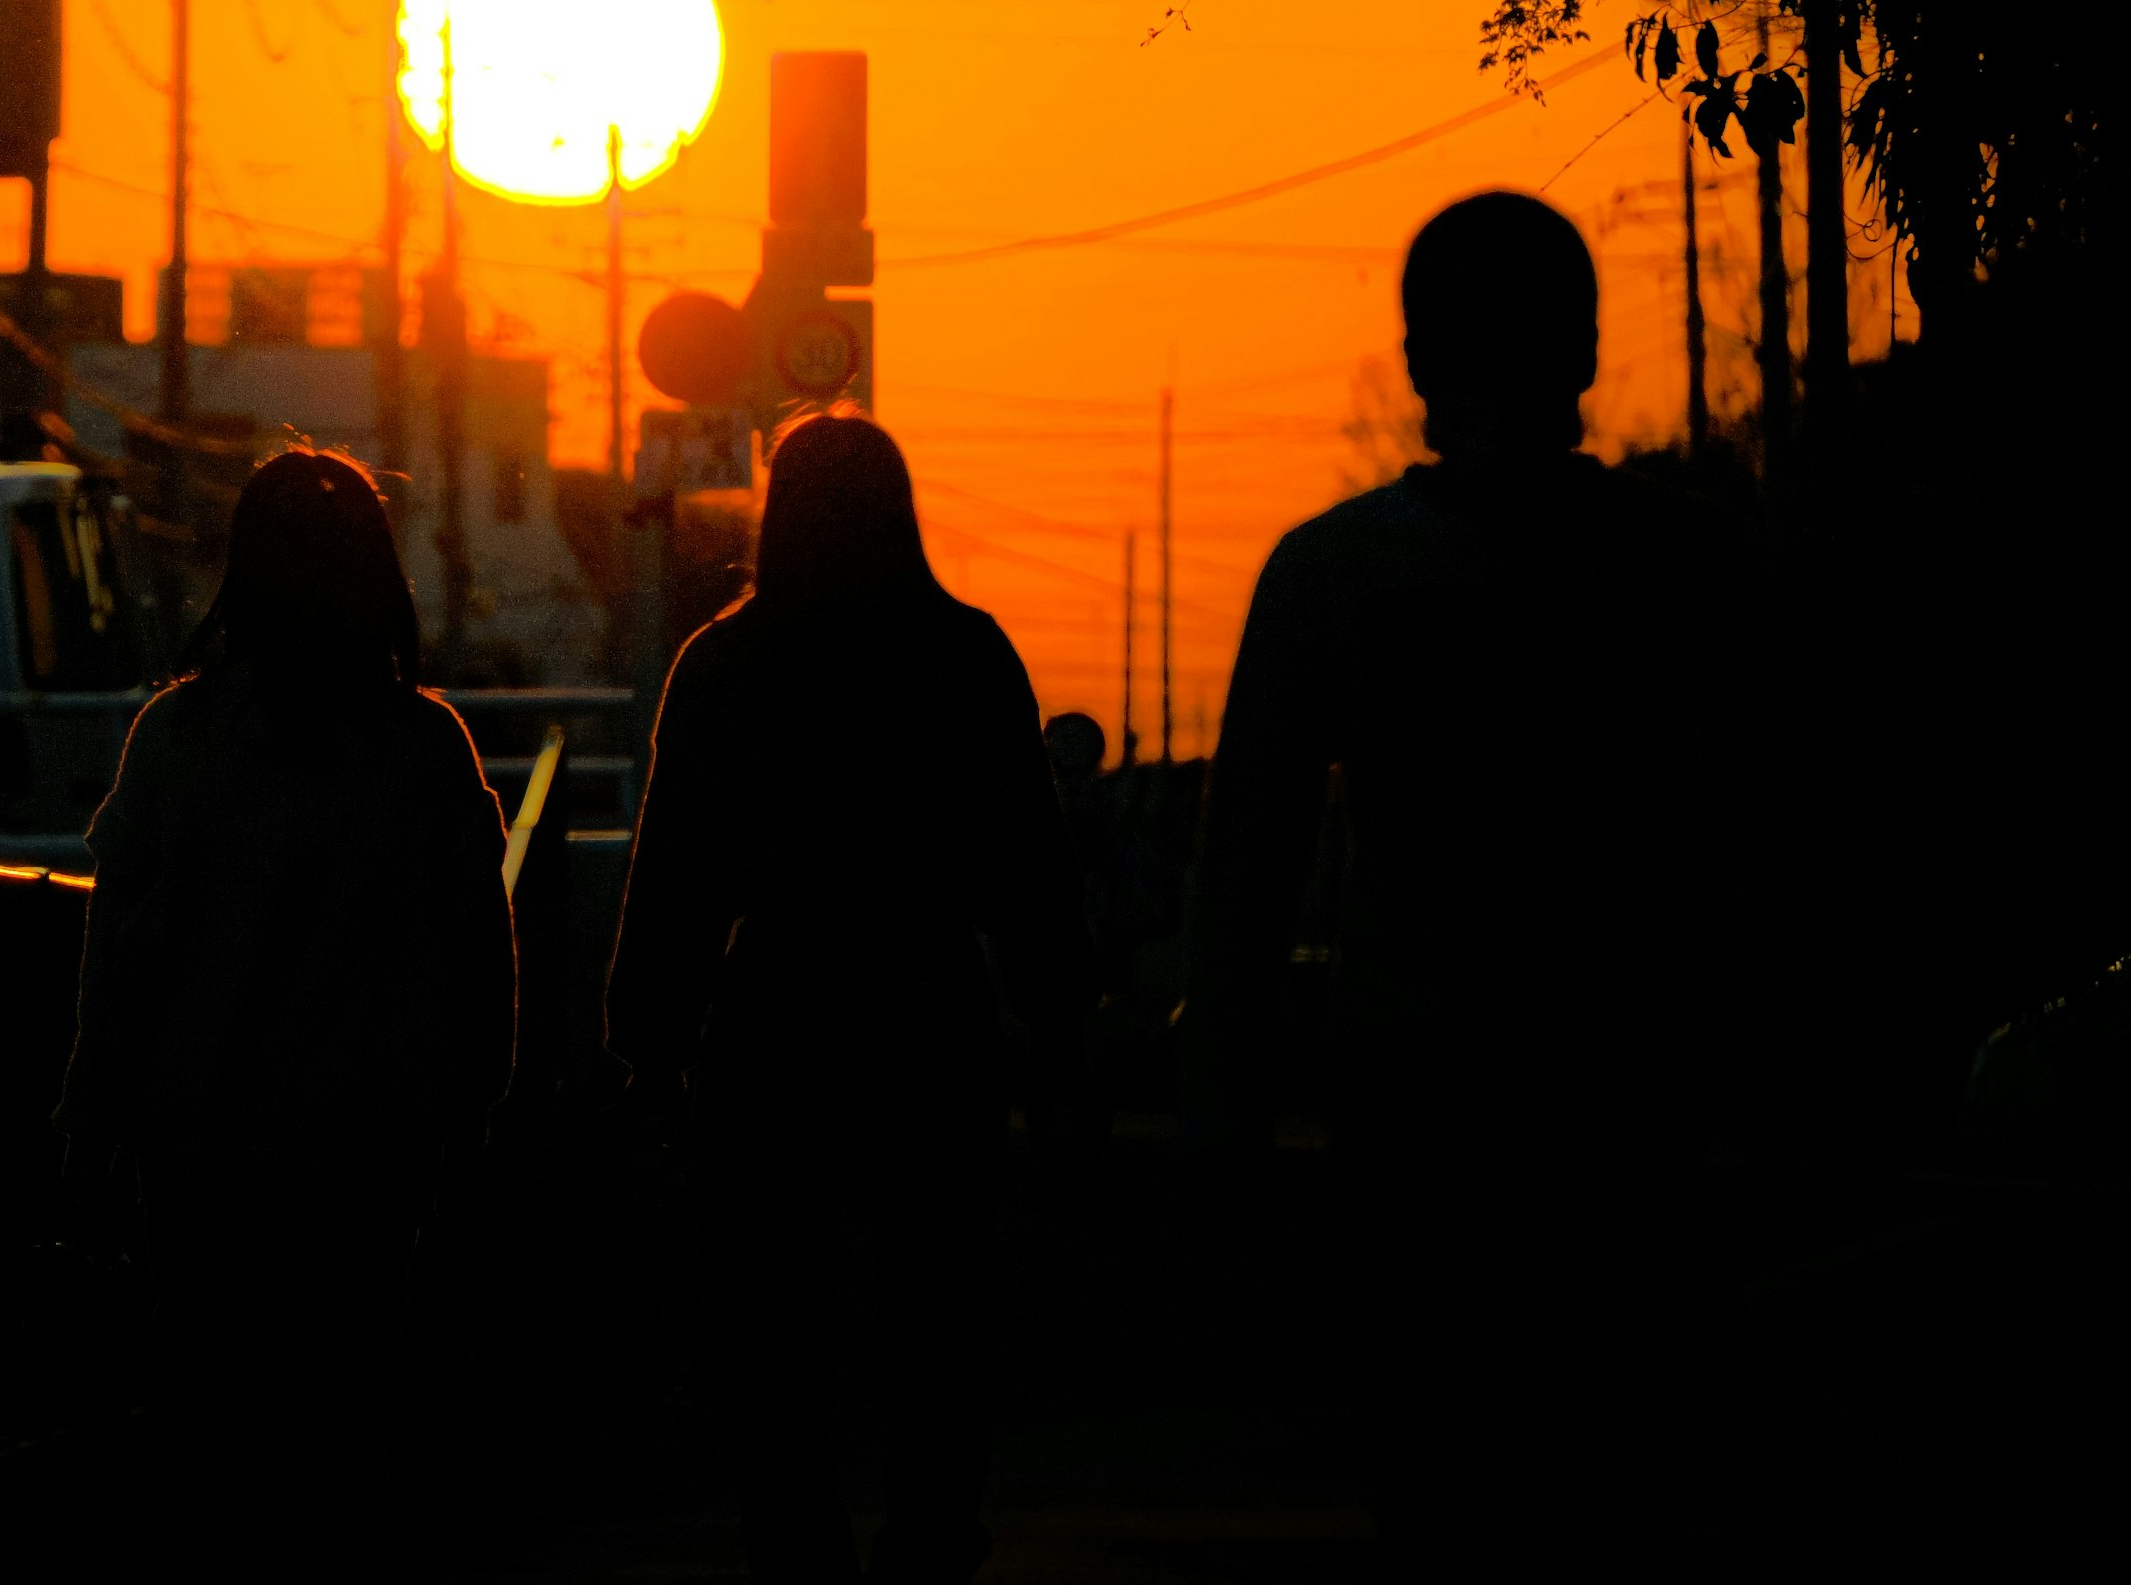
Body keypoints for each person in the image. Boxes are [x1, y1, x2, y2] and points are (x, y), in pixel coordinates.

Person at [1184, 190, 1741, 1579]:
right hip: (1616, 1078)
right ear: (1592, 353)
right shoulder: (1675, 563)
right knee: (1607, 1471)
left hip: (1415, 1083)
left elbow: (1249, 858)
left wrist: (1226, 1096)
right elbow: (1750, 820)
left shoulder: (1333, 572)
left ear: (1418, 359)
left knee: (1435, 1481)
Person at [610, 412, 1093, 1585]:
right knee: (940, 1303)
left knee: (767, 1309)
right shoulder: (968, 655)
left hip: (775, 1008)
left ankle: (797, 1541)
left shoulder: (725, 665)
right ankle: (931, 1534)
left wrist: (647, 1042)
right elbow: (1027, 864)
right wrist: (1062, 1021)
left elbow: (673, 873)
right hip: (931, 1003)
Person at [56, 447, 515, 1573]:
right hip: (371, 1153)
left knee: (210, 1442)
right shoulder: (422, 747)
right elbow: (481, 954)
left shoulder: (178, 740)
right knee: (345, 1435)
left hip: (202, 1154)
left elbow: (117, 961)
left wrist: (86, 1135)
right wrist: (470, 1120)